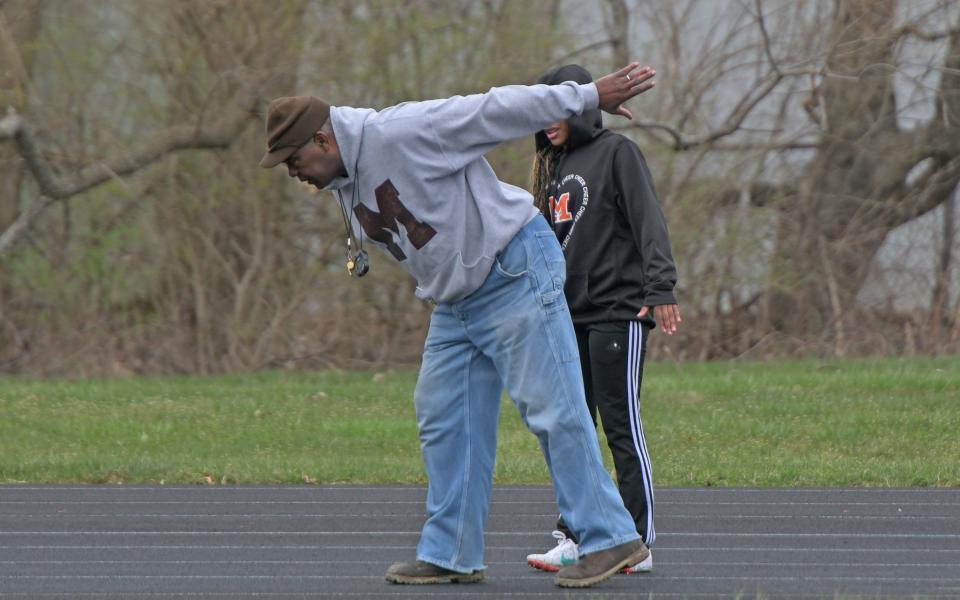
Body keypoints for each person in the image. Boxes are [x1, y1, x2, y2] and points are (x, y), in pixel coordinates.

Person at [259, 62, 658, 588]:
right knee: (443, 416)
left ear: (322, 139)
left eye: (294, 159)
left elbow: (495, 109)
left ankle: (610, 538)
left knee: (553, 406)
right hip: (457, 302)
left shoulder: (401, 131)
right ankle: (452, 551)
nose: (293, 172)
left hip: (511, 266)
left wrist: (582, 95)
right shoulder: (343, 175)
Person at [524, 64, 680, 576]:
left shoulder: (618, 153)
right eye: (541, 113)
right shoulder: (552, 166)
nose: (548, 122)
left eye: (558, 111)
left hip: (618, 312)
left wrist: (660, 289)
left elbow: (648, 221)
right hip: (569, 317)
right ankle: (575, 534)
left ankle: (638, 539)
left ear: (581, 106)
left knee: (620, 427)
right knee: (573, 428)